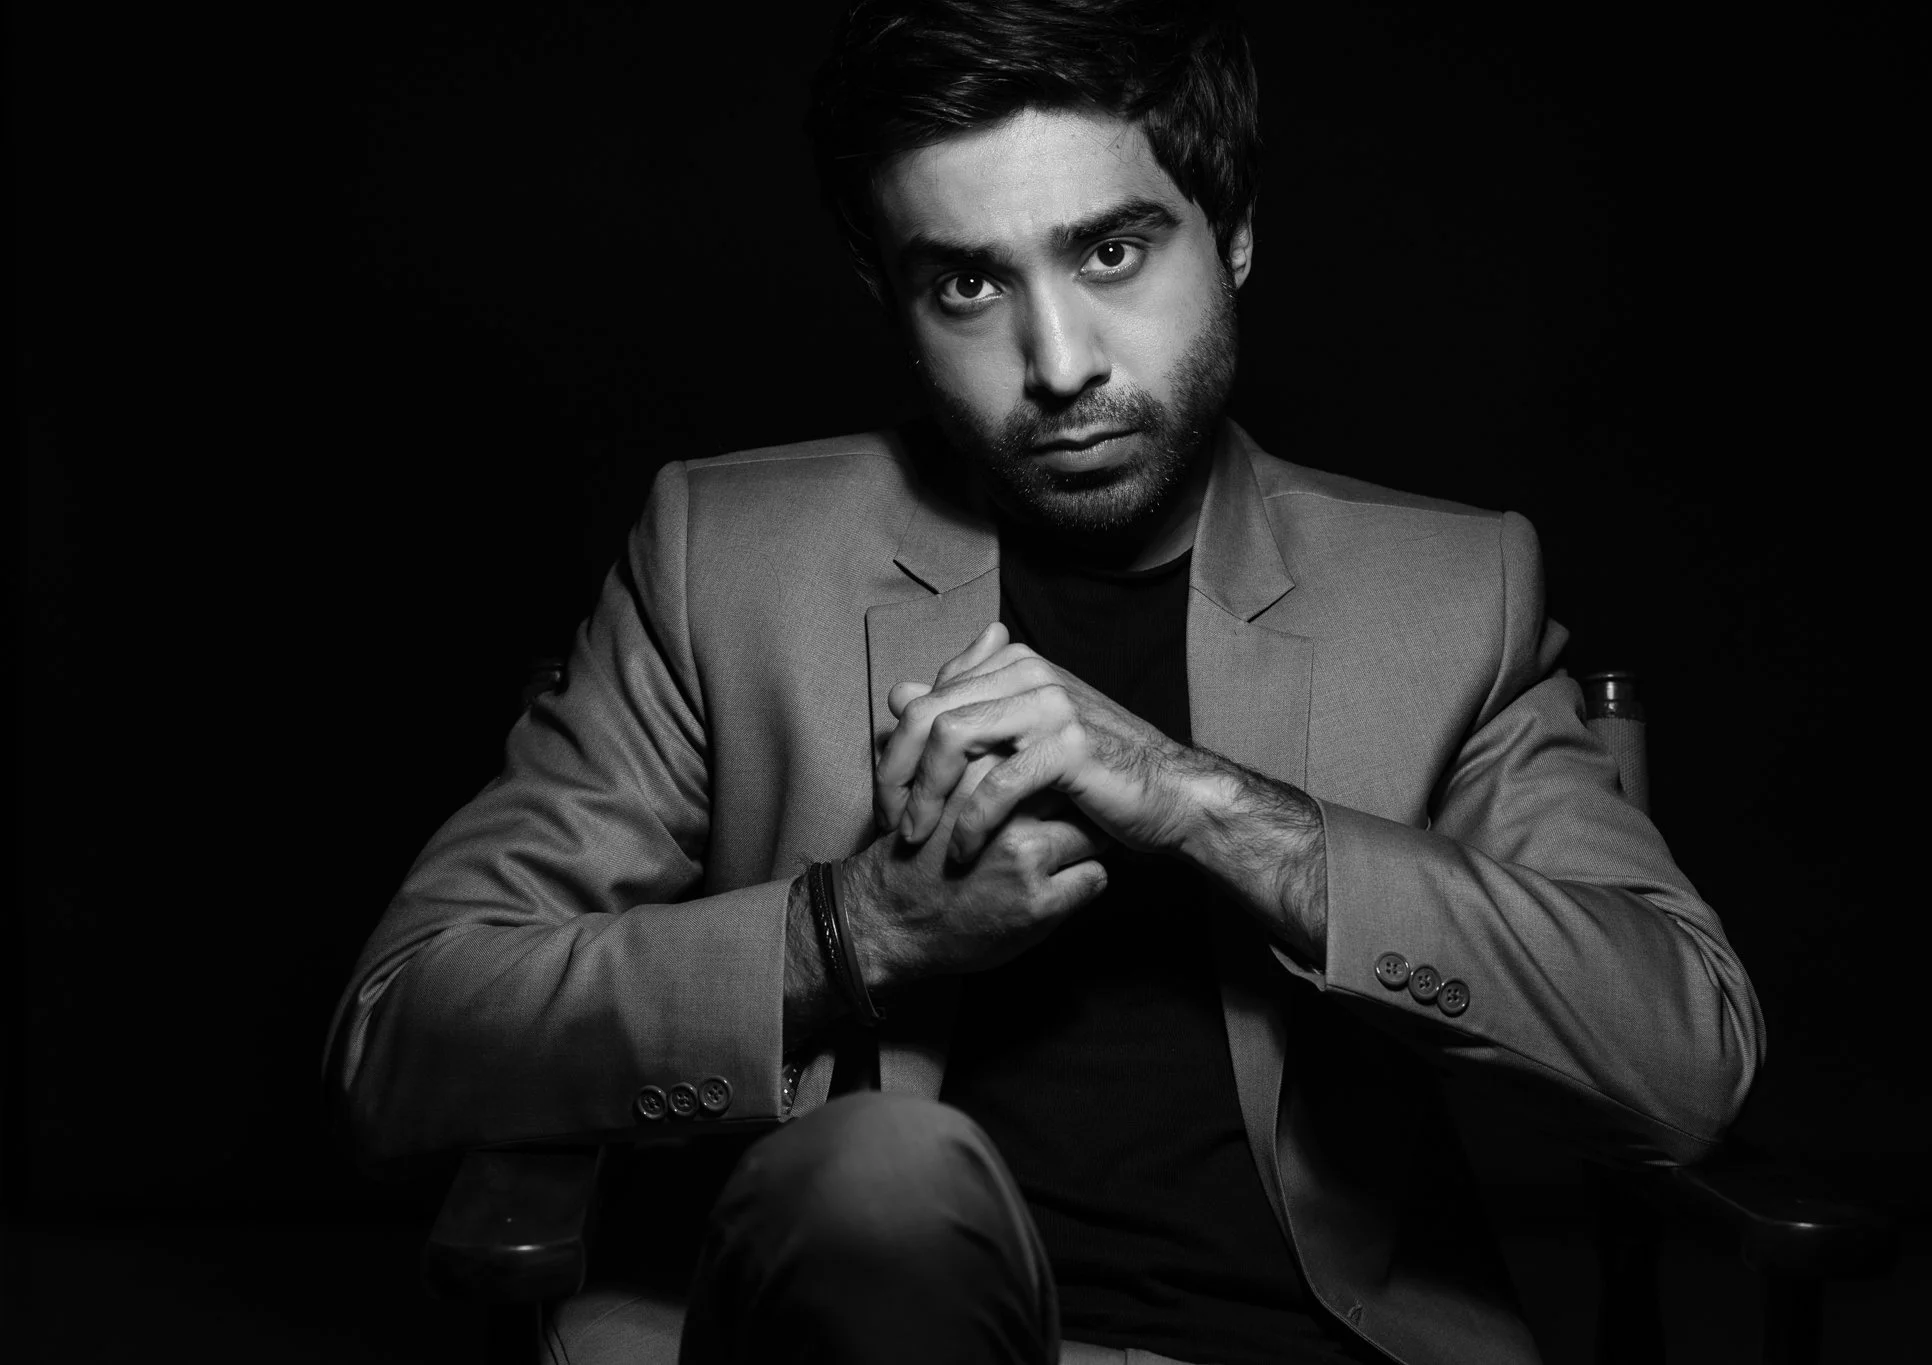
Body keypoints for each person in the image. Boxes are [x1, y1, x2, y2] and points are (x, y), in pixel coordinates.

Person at [327, 2, 1765, 1362]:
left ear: (1238, 233)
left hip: (1299, 1339)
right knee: (881, 1171)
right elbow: (408, 1030)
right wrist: (857, 937)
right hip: (853, 1333)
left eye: (1114, 254)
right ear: (885, 295)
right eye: (968, 282)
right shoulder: (730, 561)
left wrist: (1200, 804)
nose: (1058, 361)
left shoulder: (1449, 597)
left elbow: (1685, 1060)